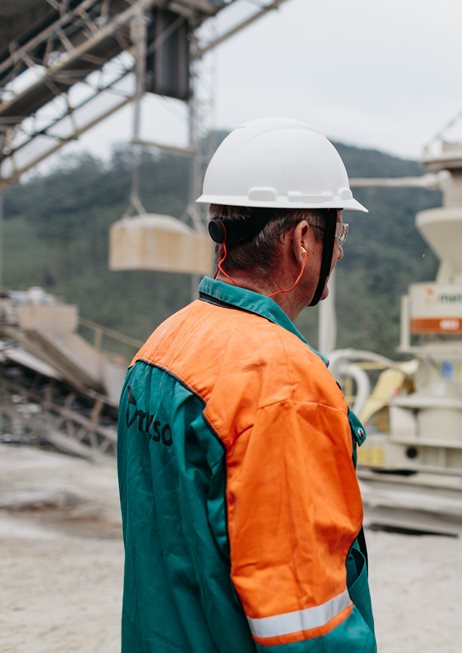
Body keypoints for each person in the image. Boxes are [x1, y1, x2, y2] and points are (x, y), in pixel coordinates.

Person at [117, 117, 376, 652]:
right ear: (303, 239)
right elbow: (304, 624)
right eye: (339, 232)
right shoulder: (284, 386)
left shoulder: (162, 347)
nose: (342, 252)